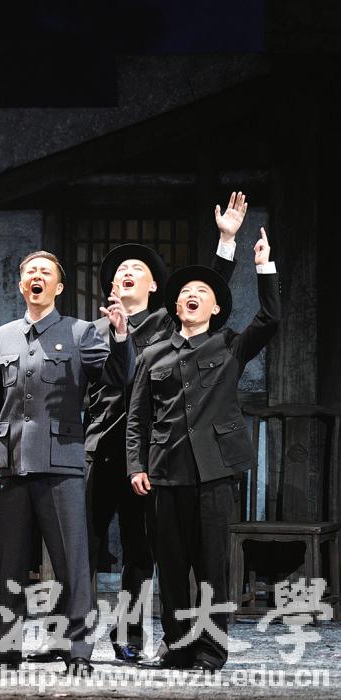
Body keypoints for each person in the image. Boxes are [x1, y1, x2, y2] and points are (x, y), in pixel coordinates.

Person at [76, 193, 247, 663]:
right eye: (120, 269)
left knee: (141, 552)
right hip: (100, 449)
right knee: (85, 547)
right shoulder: (91, 331)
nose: (127, 272)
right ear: (111, 285)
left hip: (150, 456)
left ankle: (130, 636)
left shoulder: (167, 325)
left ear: (154, 285)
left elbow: (206, 294)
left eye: (138, 268)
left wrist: (226, 242)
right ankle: (78, 638)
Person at [0, 251, 134, 676]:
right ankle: (5, 645)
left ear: (58, 287)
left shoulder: (79, 332)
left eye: (45, 272)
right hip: (13, 463)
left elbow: (117, 378)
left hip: (61, 463)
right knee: (11, 561)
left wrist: (121, 336)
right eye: (30, 272)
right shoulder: (2, 336)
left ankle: (77, 649)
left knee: (72, 562)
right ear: (21, 284)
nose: (37, 277)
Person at [127, 228, 279, 671]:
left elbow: (270, 318)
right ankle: (176, 647)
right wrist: (136, 465)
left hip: (214, 472)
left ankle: (211, 650)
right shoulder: (152, 356)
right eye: (185, 293)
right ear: (176, 306)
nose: (192, 296)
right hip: (164, 471)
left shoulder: (231, 345)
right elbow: (137, 418)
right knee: (172, 568)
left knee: (212, 567)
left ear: (215, 308)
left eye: (202, 293)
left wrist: (264, 267)